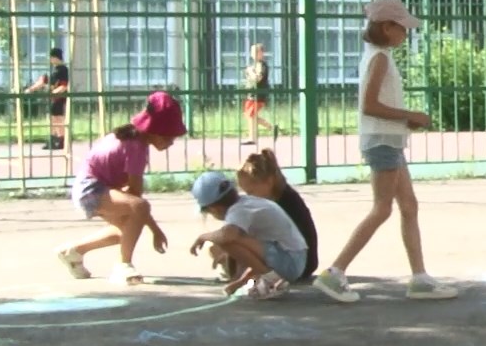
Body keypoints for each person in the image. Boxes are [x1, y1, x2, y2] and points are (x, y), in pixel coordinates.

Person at [314, 0, 456, 304]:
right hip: (381, 141)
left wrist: (405, 121)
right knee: (382, 209)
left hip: (388, 139)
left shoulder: (379, 55)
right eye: (403, 28)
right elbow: (370, 105)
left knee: (409, 206)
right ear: (387, 27)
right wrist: (410, 116)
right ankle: (335, 272)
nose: (407, 34)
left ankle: (419, 278)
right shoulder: (379, 58)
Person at [56, 91, 186, 285]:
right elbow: (137, 200)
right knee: (139, 210)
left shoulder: (134, 139)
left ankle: (73, 252)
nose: (171, 142)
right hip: (90, 190)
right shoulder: (135, 147)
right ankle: (123, 265)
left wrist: (149, 225)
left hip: (94, 188)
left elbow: (134, 202)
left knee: (126, 230)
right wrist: (155, 230)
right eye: (168, 137)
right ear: (154, 130)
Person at [188, 171, 309, 300]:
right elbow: (257, 257)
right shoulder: (246, 203)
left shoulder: (239, 211)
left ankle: (272, 281)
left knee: (227, 241)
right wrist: (240, 282)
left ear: (213, 208)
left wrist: (203, 237)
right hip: (294, 259)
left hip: (290, 262)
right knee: (232, 239)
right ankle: (269, 278)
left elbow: (228, 237)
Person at [236, 148, 318, 285]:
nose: (249, 197)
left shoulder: (282, 203)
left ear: (268, 181)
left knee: (238, 241)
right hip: (298, 260)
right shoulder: (276, 197)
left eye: (251, 192)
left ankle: (252, 276)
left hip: (300, 263)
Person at [24, 47, 70, 151]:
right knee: (52, 119)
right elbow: (42, 81)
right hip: (51, 98)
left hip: (58, 98)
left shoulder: (63, 70)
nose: (50, 59)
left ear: (56, 57)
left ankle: (61, 139)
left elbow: (64, 85)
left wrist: (54, 93)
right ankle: (53, 139)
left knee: (57, 118)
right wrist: (30, 89)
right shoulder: (51, 70)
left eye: (52, 57)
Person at [241, 43, 279, 146]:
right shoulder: (254, 65)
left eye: (255, 52)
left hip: (259, 94)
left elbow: (258, 79)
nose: (252, 54)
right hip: (252, 93)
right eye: (252, 52)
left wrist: (250, 72)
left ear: (261, 53)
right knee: (249, 115)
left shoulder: (262, 65)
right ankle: (269, 128)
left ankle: (254, 137)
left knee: (251, 115)